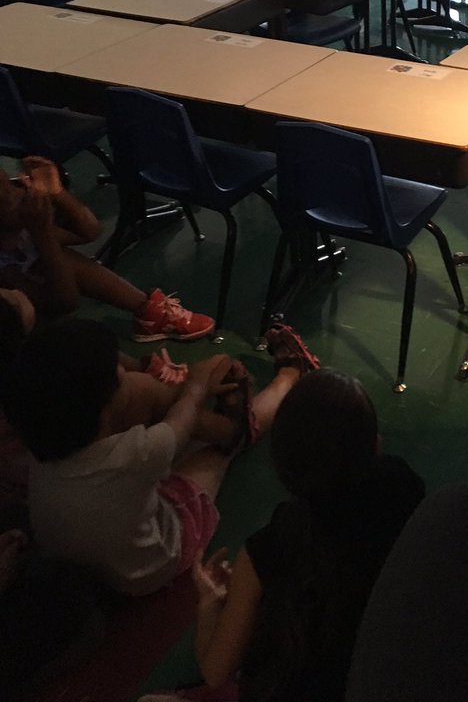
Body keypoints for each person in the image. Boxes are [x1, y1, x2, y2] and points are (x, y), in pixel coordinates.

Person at [0, 318, 317, 596]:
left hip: (78, 556)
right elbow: (182, 418)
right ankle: (285, 383)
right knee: (217, 451)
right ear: (101, 409)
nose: (124, 372)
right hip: (148, 563)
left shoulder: (40, 445)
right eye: (118, 372)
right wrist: (198, 383)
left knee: (157, 414)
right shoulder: (137, 453)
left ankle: (234, 423)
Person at [173, 368, 425, 702]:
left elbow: (216, 672)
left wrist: (209, 606)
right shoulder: (403, 487)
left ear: (281, 464)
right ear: (374, 445)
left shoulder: (268, 550)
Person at [0, 156, 214, 341]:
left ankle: (147, 310)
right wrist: (43, 232)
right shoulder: (6, 267)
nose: (19, 191)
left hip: (50, 288)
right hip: (30, 323)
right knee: (58, 256)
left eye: (12, 185)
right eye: (7, 196)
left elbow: (89, 231)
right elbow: (65, 302)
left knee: (67, 258)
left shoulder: (21, 233)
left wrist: (57, 192)